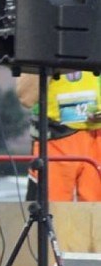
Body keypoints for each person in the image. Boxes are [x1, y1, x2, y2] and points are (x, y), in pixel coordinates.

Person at [16, 71, 101, 202]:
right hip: (55, 139)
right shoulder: (42, 50)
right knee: (50, 209)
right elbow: (27, 98)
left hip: (97, 137)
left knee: (96, 213)